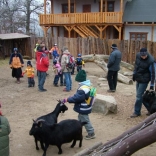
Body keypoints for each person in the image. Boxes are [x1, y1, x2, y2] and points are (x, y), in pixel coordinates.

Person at [61, 70, 96, 140]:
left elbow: (77, 98)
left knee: (85, 120)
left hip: (83, 107)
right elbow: (78, 96)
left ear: (80, 80)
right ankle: (79, 129)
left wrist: (68, 99)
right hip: (86, 106)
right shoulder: (87, 86)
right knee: (81, 118)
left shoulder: (83, 89)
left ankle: (91, 133)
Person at [130, 48, 154, 118]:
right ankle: (151, 109)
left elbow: (153, 73)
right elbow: (136, 66)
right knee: (140, 96)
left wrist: (152, 84)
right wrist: (134, 74)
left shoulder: (151, 61)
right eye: (142, 56)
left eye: (145, 56)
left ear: (147, 54)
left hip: (144, 80)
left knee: (138, 96)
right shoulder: (138, 56)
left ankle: (137, 112)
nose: (143, 57)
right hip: (138, 78)